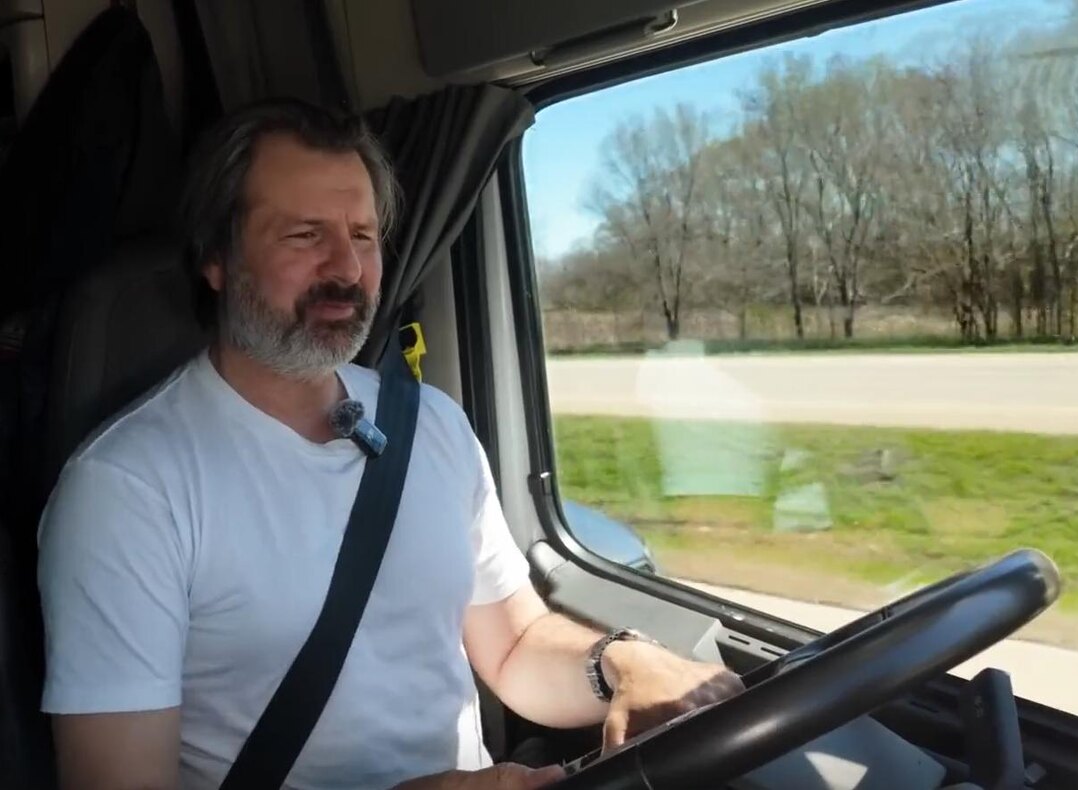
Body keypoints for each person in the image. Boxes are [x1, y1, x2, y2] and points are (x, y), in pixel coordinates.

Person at [36, 99, 744, 790]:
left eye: (364, 236)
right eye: (305, 235)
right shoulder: (126, 490)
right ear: (216, 258)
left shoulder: (431, 423)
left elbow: (514, 645)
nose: (348, 269)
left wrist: (621, 662)